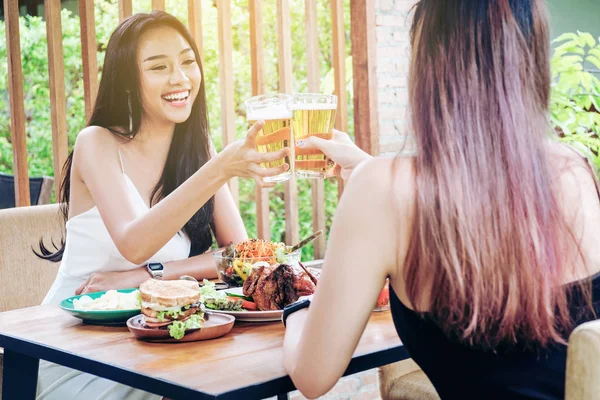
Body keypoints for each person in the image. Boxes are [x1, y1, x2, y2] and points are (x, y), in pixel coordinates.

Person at [282, 1, 600, 399]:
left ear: (429, 66)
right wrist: (365, 169)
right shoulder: (575, 169)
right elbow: (488, 209)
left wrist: (298, 313)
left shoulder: (380, 191)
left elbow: (312, 377)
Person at [35, 11, 288, 400]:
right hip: (76, 342)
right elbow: (134, 243)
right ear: (126, 83)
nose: (180, 78)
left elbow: (242, 257)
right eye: (158, 67)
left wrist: (151, 275)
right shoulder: (97, 143)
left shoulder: (195, 150)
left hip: (159, 336)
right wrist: (220, 167)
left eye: (188, 62)